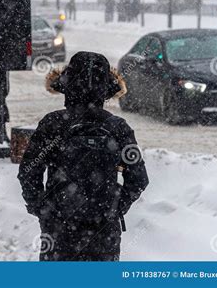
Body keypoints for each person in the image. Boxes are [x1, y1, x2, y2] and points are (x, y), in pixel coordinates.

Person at [18, 51, 149, 261]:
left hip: (59, 230)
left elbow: (29, 171)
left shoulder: (52, 124)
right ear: (106, 91)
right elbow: (139, 179)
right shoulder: (119, 128)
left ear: (66, 87)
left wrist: (42, 209)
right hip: (103, 233)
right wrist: (114, 209)